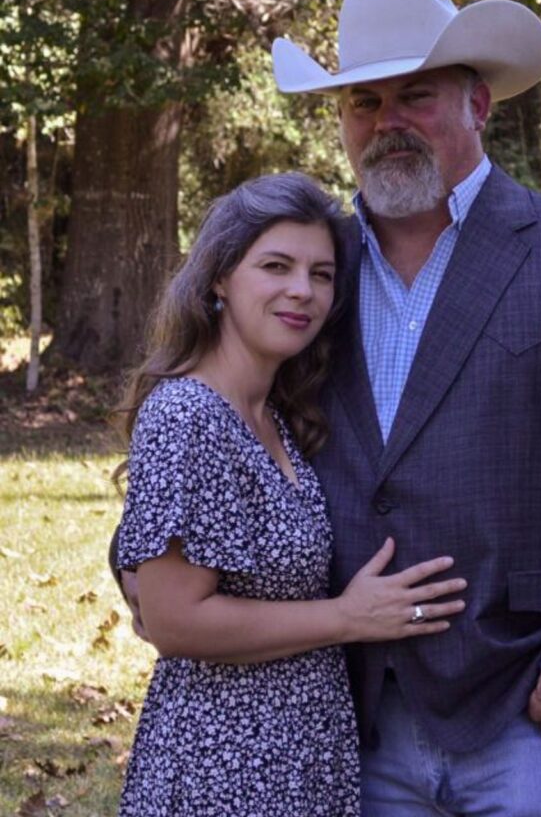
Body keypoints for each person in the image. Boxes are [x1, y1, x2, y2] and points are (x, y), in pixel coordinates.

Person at [269, 0, 541, 816]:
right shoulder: (312, 276)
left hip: (529, 708)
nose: (388, 122)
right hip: (354, 716)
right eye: (363, 103)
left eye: (416, 95)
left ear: (479, 104)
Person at [112, 171, 467, 817]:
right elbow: (173, 619)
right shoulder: (188, 415)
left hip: (300, 758)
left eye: (322, 274)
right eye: (276, 266)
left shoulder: (275, 414)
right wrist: (348, 617)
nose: (301, 291)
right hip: (223, 767)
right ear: (220, 277)